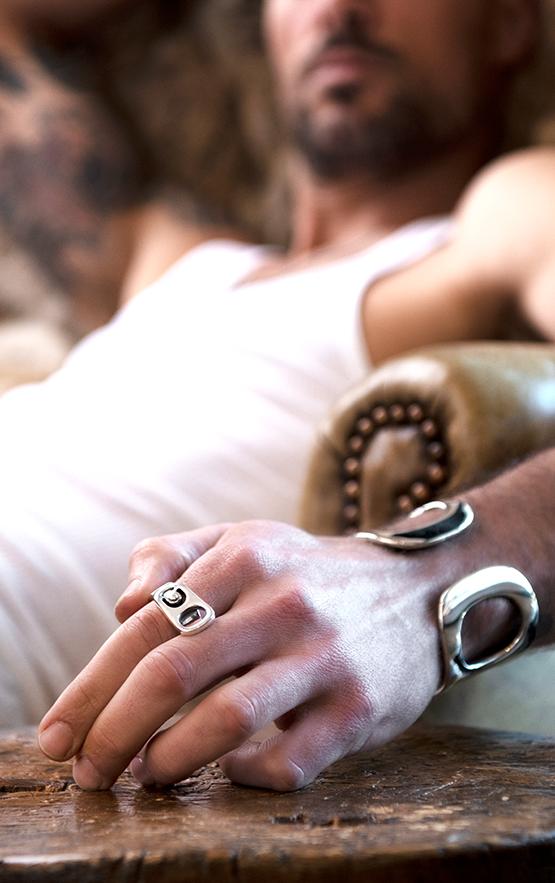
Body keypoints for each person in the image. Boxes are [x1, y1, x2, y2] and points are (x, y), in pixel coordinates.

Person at [1, 0, 554, 786]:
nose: (339, 9)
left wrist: (424, 575)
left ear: (508, 26)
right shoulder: (173, 257)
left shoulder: (495, 224)